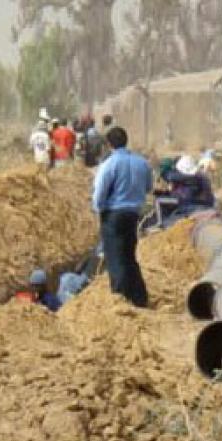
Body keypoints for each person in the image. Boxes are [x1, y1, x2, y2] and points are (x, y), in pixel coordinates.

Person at [92, 126, 153, 308]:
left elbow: (100, 193)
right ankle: (139, 298)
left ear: (109, 144)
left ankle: (120, 299)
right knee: (129, 255)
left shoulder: (109, 164)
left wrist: (99, 209)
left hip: (113, 215)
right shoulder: (142, 163)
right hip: (133, 214)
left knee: (115, 257)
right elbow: (149, 187)